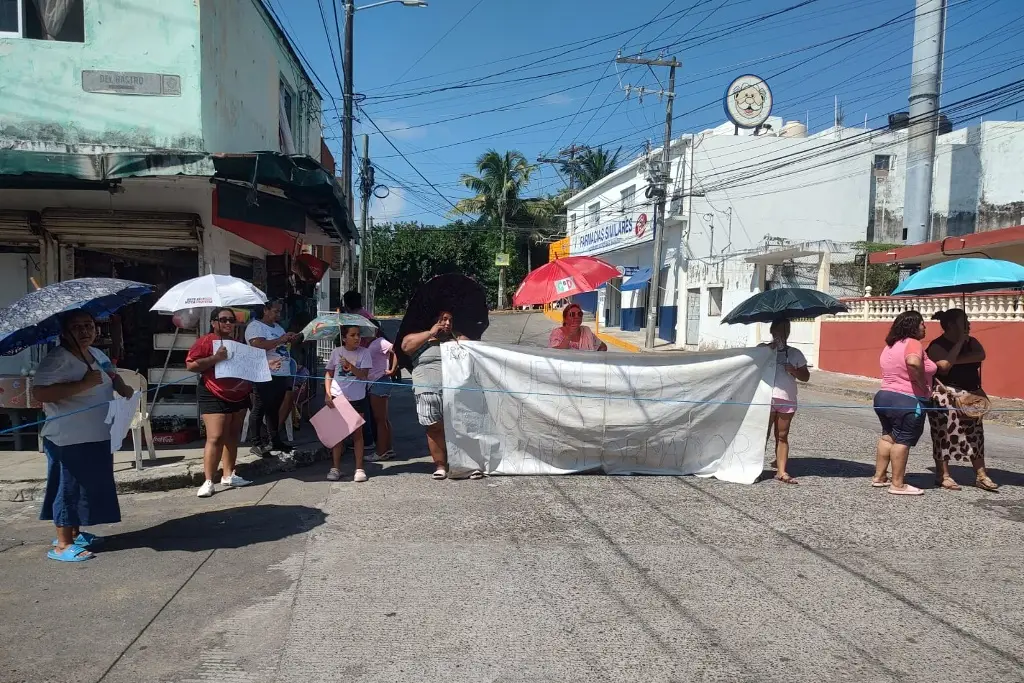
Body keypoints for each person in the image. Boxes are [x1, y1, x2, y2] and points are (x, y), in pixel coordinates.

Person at [33, 310, 134, 562]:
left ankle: (75, 533)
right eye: (77, 327)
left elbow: (111, 374)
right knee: (67, 487)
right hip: (68, 436)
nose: (85, 331)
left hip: (97, 432)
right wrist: (83, 384)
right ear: (64, 332)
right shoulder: (57, 358)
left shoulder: (97, 354)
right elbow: (40, 394)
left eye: (89, 325)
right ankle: (62, 543)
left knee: (85, 487)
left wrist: (121, 386)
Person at [402, 311, 481, 480]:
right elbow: (406, 346)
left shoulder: (454, 339)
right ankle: (440, 465)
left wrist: (458, 337)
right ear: (433, 321)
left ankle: (464, 464)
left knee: (459, 427)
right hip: (427, 391)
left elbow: (475, 350)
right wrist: (430, 333)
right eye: (443, 319)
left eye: (450, 320)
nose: (447, 323)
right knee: (434, 428)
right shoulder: (421, 339)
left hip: (454, 392)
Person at [926, 309, 998, 491]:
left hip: (971, 396)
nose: (969, 324)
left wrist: (953, 359)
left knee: (975, 435)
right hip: (945, 396)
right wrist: (958, 344)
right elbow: (942, 368)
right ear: (951, 325)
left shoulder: (972, 342)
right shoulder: (937, 345)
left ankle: (981, 475)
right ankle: (943, 474)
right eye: (964, 321)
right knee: (943, 435)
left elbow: (980, 355)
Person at [186, 308, 253, 498]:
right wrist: (215, 358)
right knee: (215, 437)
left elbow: (247, 365)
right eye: (223, 319)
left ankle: (228, 474)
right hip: (213, 392)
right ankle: (208, 480)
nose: (228, 323)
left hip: (238, 393)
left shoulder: (236, 343)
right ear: (213, 322)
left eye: (231, 320)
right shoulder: (205, 342)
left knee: (233, 435)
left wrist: (266, 366)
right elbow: (191, 365)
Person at [872, 311, 938, 496]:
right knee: (903, 440)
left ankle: (879, 476)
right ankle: (898, 484)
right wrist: (922, 385)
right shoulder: (913, 343)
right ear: (913, 326)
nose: (925, 327)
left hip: (884, 396)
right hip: (907, 399)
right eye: (922, 324)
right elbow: (913, 363)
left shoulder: (891, 345)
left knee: (888, 437)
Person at [245, 301, 299, 457]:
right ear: (265, 310)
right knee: (259, 407)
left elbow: (280, 345)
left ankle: (274, 440)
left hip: (281, 373)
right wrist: (280, 340)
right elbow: (257, 345)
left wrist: (288, 339)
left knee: (274, 409)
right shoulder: (255, 327)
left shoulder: (278, 328)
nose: (278, 315)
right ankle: (256, 442)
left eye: (279, 312)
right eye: (276, 311)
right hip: (265, 373)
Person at [761, 319, 809, 484]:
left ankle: (781, 471)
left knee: (782, 435)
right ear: (772, 332)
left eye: (784, 331)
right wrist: (767, 352)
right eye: (777, 331)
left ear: (788, 333)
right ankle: (757, 467)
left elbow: (806, 377)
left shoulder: (795, 353)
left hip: (786, 399)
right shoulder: (763, 350)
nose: (780, 335)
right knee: (762, 435)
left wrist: (794, 370)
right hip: (766, 399)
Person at [324, 325, 373, 482]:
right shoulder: (336, 352)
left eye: (358, 335)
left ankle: (359, 468)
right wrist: (327, 392)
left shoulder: (364, 353)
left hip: (357, 398)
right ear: (344, 338)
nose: (357, 338)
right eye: (352, 335)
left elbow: (364, 375)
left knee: (357, 434)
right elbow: (329, 373)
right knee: (338, 435)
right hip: (338, 397)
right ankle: (335, 467)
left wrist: (350, 366)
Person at [366, 324, 398, 461]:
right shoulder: (372, 343)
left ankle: (381, 452)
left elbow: (395, 350)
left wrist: (393, 369)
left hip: (379, 382)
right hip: (377, 382)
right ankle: (388, 448)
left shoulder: (380, 342)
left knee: (379, 419)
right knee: (383, 419)